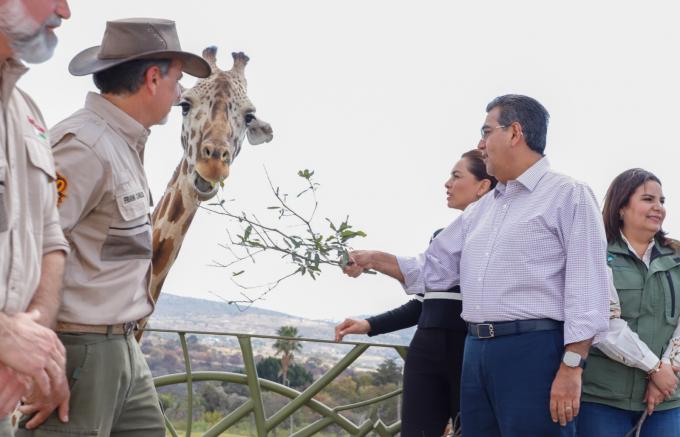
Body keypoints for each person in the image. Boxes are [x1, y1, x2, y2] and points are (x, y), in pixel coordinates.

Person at [342, 94, 610, 437]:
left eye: (486, 132)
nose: (480, 145)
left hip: (533, 351)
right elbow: (433, 269)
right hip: (476, 352)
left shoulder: (568, 195)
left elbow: (588, 290)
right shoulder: (482, 211)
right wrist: (373, 259)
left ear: (515, 133)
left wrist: (572, 367)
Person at [15, 18, 211, 436]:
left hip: (123, 348)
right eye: (177, 79)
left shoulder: (122, 144)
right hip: (78, 350)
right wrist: (42, 363)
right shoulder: (84, 146)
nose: (180, 93)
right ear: (153, 79)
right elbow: (27, 252)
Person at [335, 149, 496, 435]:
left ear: (483, 186)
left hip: (469, 350)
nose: (447, 183)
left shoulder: (496, 238)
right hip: (426, 349)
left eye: (456, 176)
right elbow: (425, 304)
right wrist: (370, 324)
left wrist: (372, 258)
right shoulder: (441, 238)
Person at [0, 0, 72, 434]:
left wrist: (36, 344)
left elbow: (50, 238)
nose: (64, 12)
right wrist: (6, 338)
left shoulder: (28, 112)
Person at [577, 168, 680, 436]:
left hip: (666, 399)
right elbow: (605, 324)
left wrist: (667, 370)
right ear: (621, 206)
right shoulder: (597, 254)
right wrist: (654, 367)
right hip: (603, 398)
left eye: (662, 201)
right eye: (648, 199)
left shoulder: (677, 258)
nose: (658, 207)